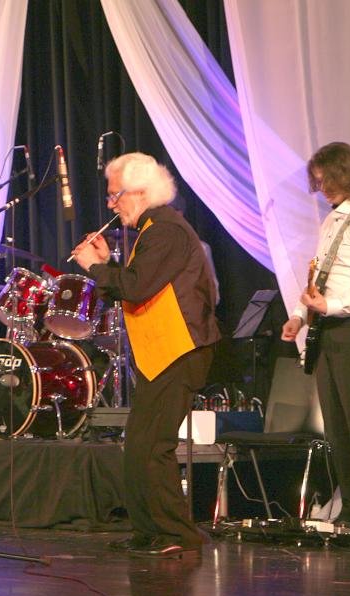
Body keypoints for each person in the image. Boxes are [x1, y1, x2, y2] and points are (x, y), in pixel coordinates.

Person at [72, 153, 220, 557]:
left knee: (154, 445)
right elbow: (138, 284)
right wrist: (105, 264)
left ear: (139, 192)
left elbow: (136, 287)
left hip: (180, 349)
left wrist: (96, 268)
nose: (110, 203)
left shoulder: (166, 230)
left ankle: (176, 534)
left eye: (114, 194)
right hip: (164, 350)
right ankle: (149, 530)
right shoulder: (154, 230)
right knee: (138, 443)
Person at [281, 142, 350, 539]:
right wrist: (300, 316)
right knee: (338, 427)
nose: (322, 185)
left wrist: (330, 305)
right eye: (318, 180)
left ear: (345, 172)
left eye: (327, 178)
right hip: (329, 329)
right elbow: (319, 280)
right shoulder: (331, 221)